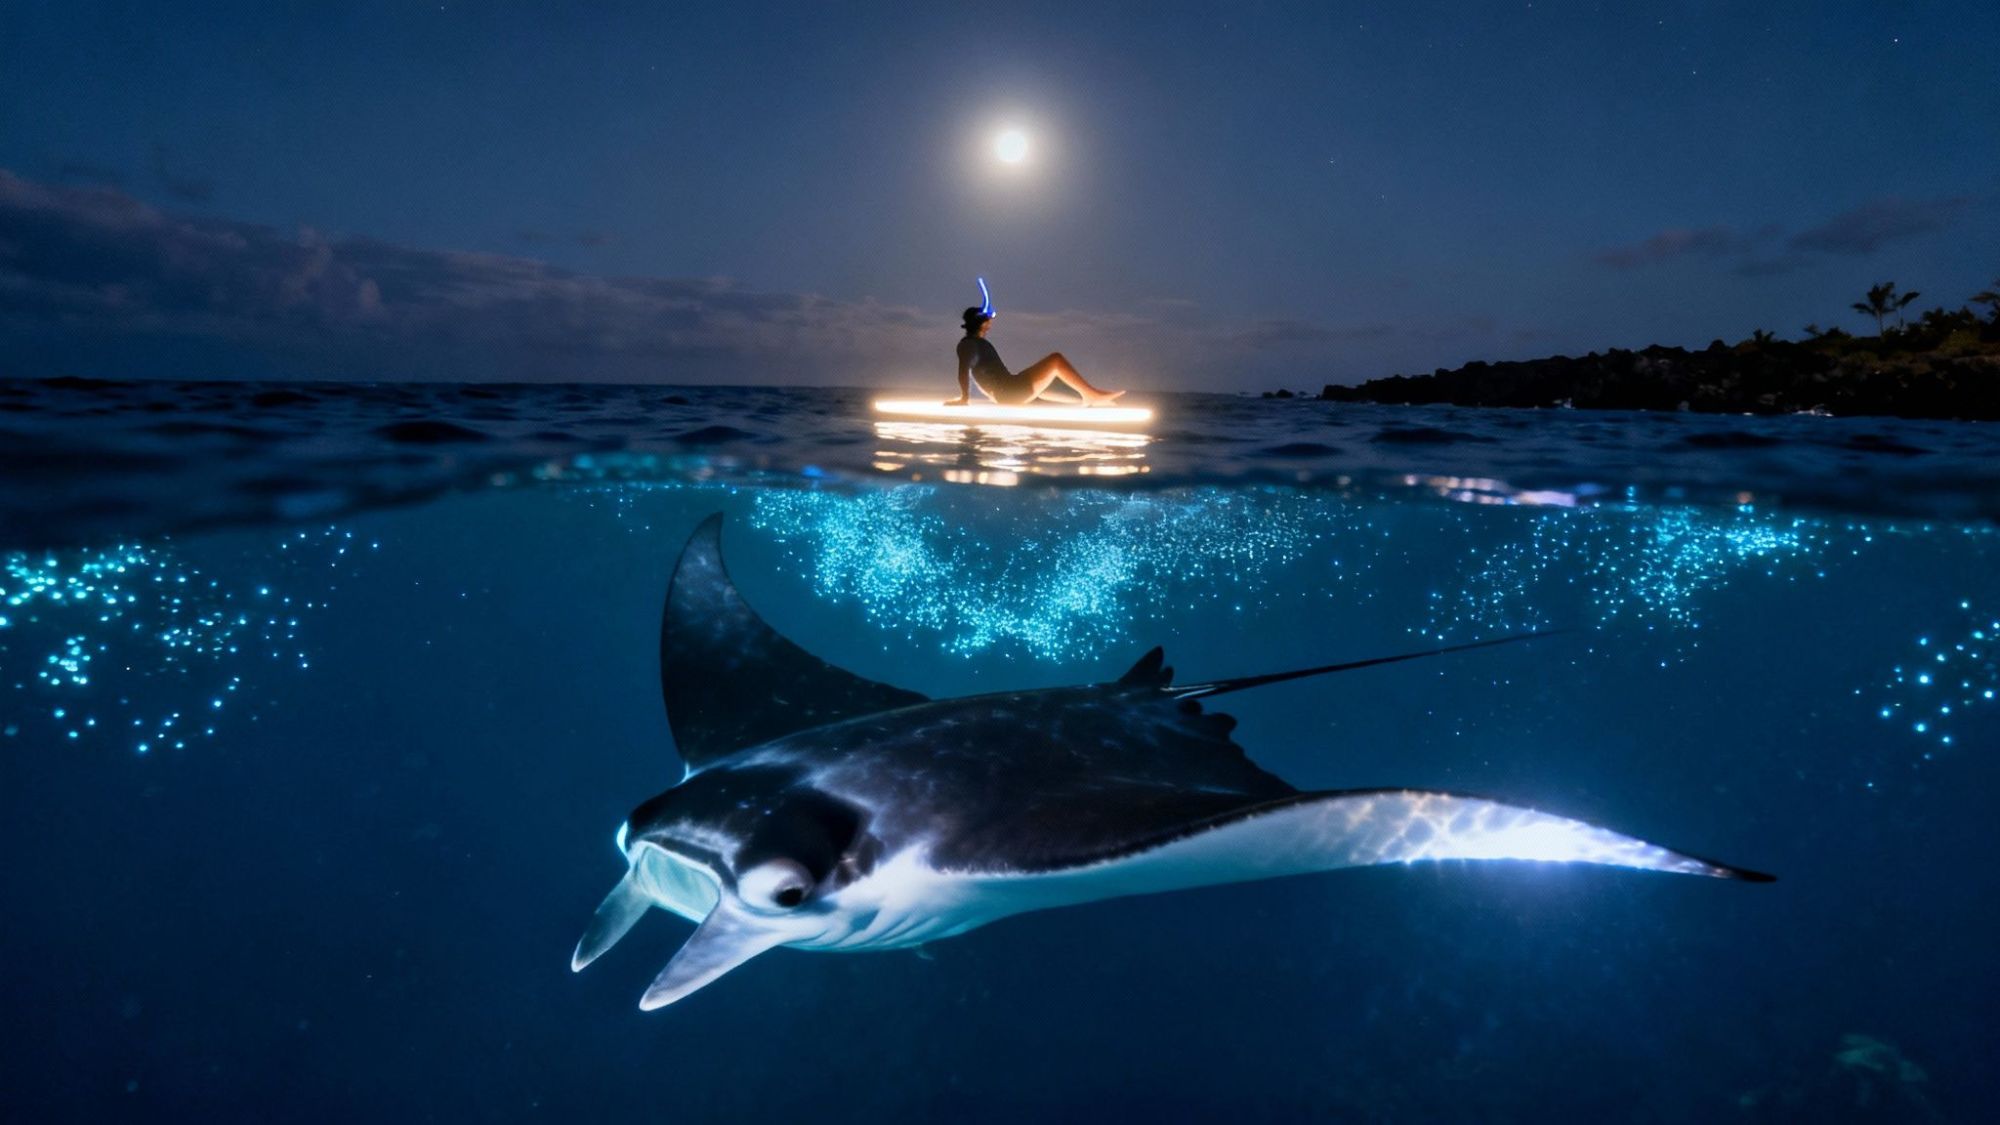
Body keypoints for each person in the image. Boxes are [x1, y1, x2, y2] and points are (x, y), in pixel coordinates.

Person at [949, 307, 1125, 406]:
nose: (991, 322)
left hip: (1009, 388)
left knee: (1056, 381)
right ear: (982, 323)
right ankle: (1091, 395)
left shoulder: (975, 343)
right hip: (1009, 392)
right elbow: (963, 370)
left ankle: (1093, 399)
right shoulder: (969, 345)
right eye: (988, 319)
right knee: (1056, 360)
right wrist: (964, 398)